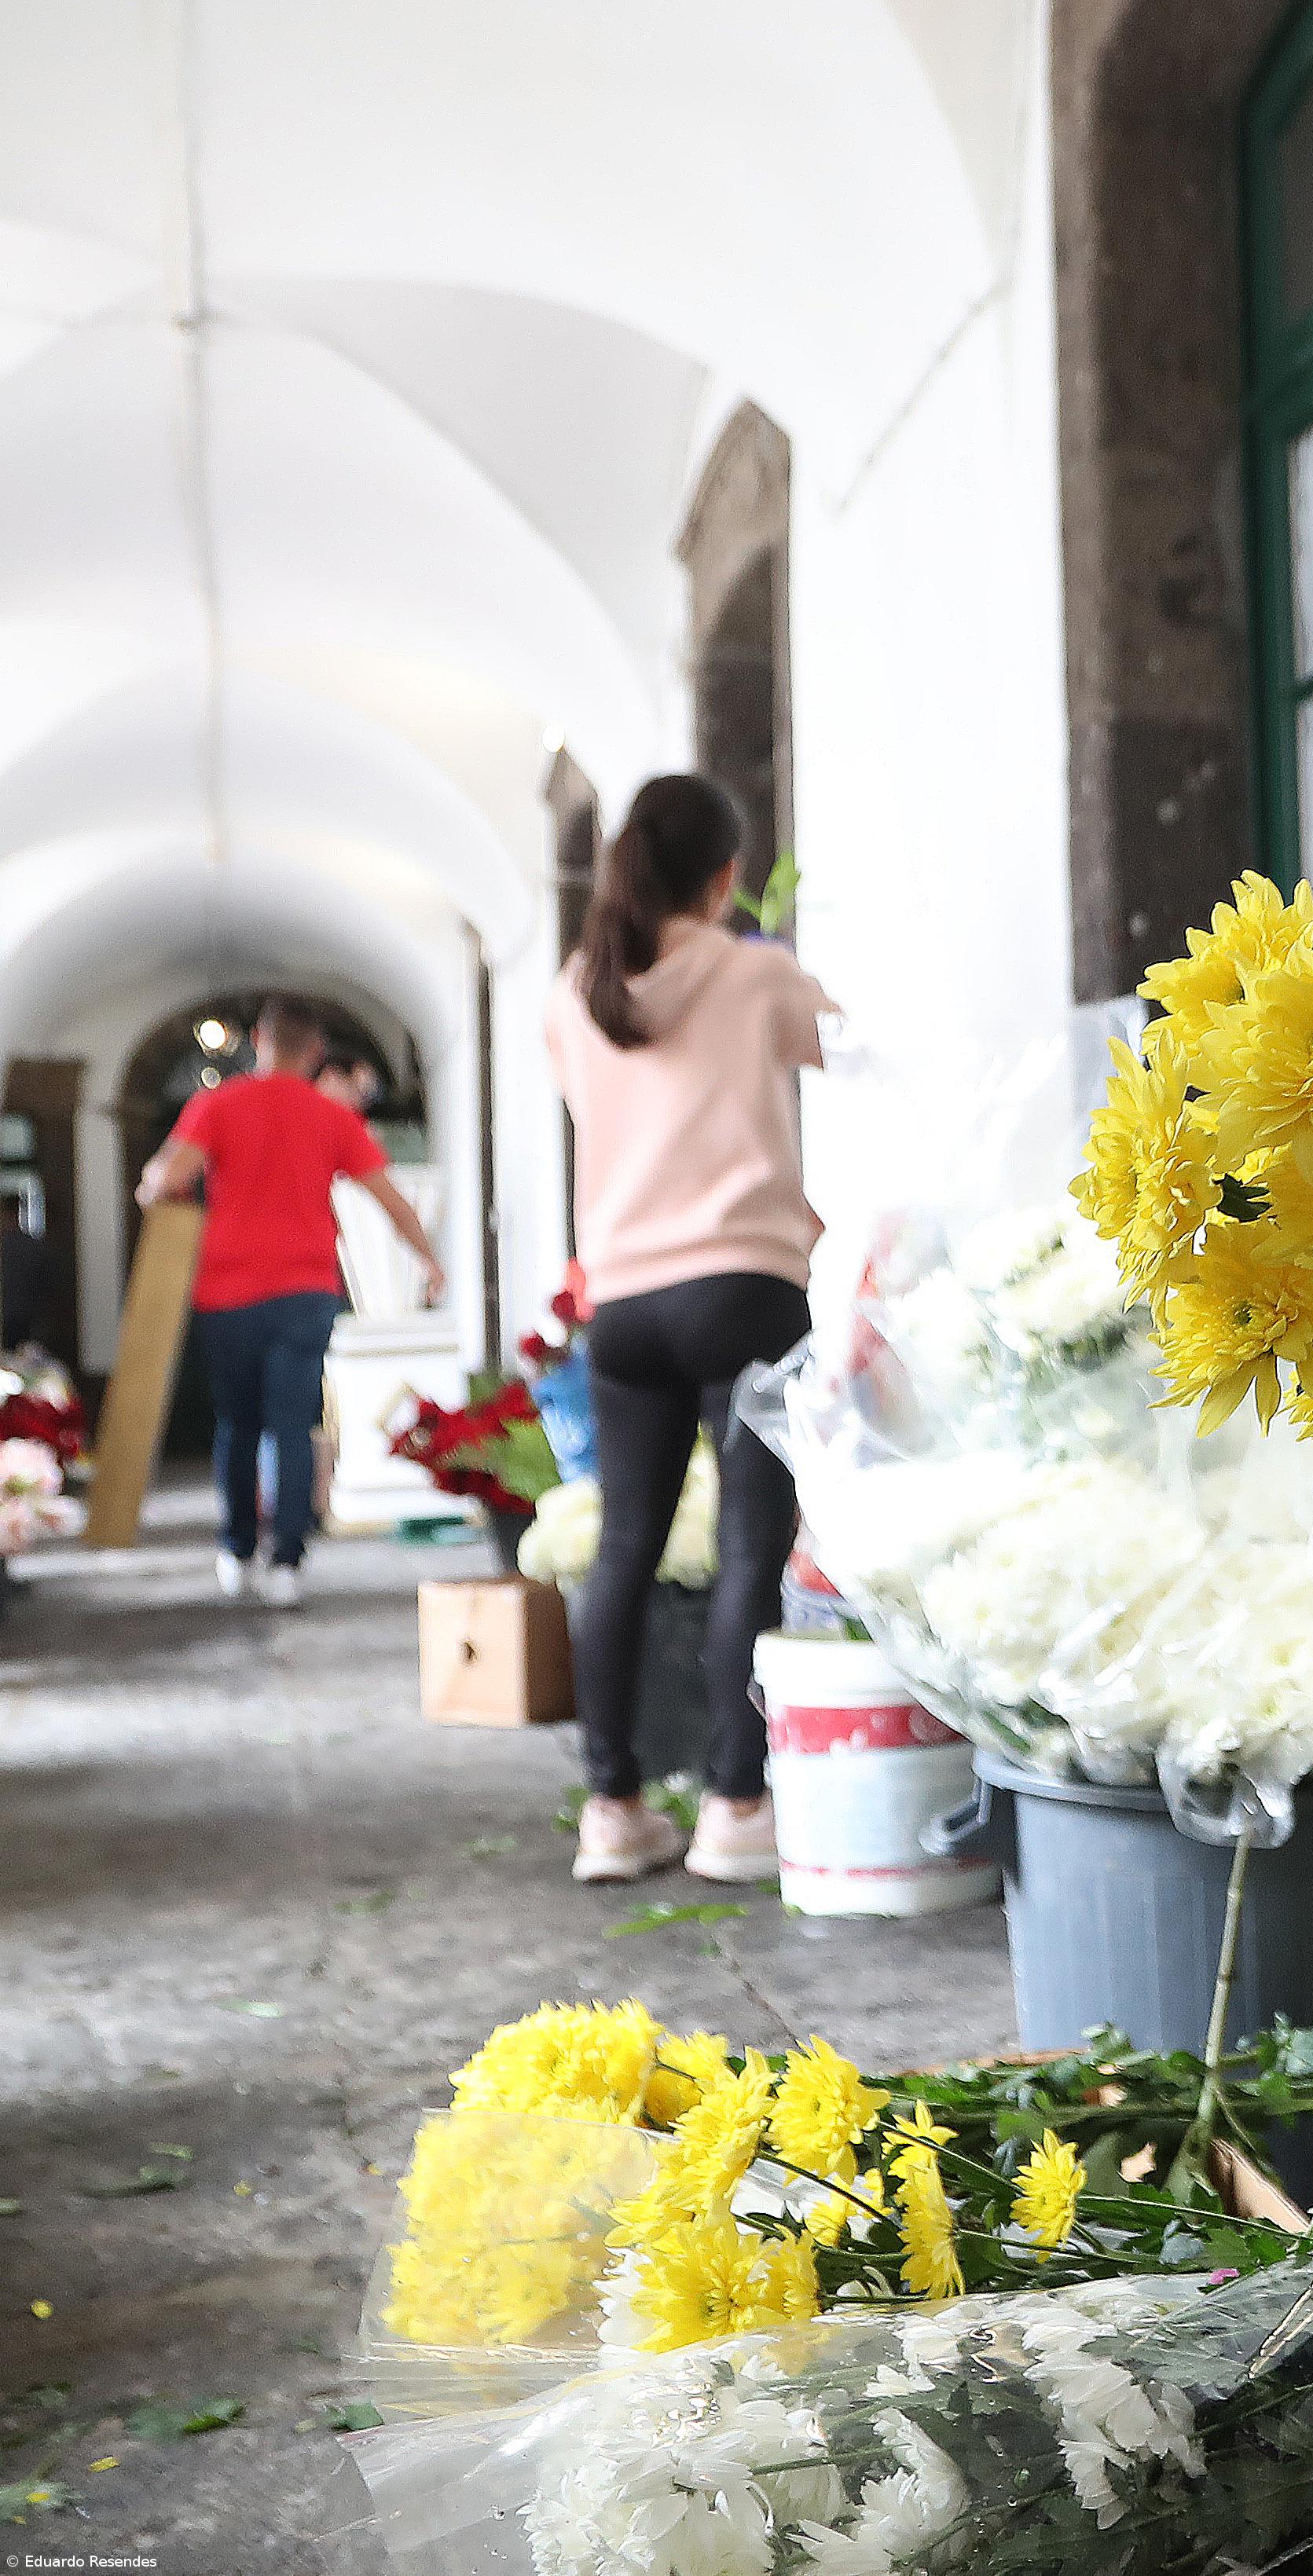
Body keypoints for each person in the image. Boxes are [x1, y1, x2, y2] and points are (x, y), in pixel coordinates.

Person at [544, 775, 832, 1889]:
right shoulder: (754, 973)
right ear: (723, 876)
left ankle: (611, 1811)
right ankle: (735, 1805)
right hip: (746, 1285)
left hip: (625, 1305)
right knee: (751, 1551)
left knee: (624, 1549)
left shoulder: (576, 991)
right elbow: (839, 1047)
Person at [138, 997, 446, 1608]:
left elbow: (170, 1179)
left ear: (258, 1039)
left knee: (237, 1424)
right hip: (306, 1290)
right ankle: (288, 1563)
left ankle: (235, 1550)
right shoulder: (330, 1117)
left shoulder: (216, 1105)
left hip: (227, 1290)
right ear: (314, 1055)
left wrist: (152, 1181)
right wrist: (429, 1260)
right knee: (292, 1425)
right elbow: (390, 1198)